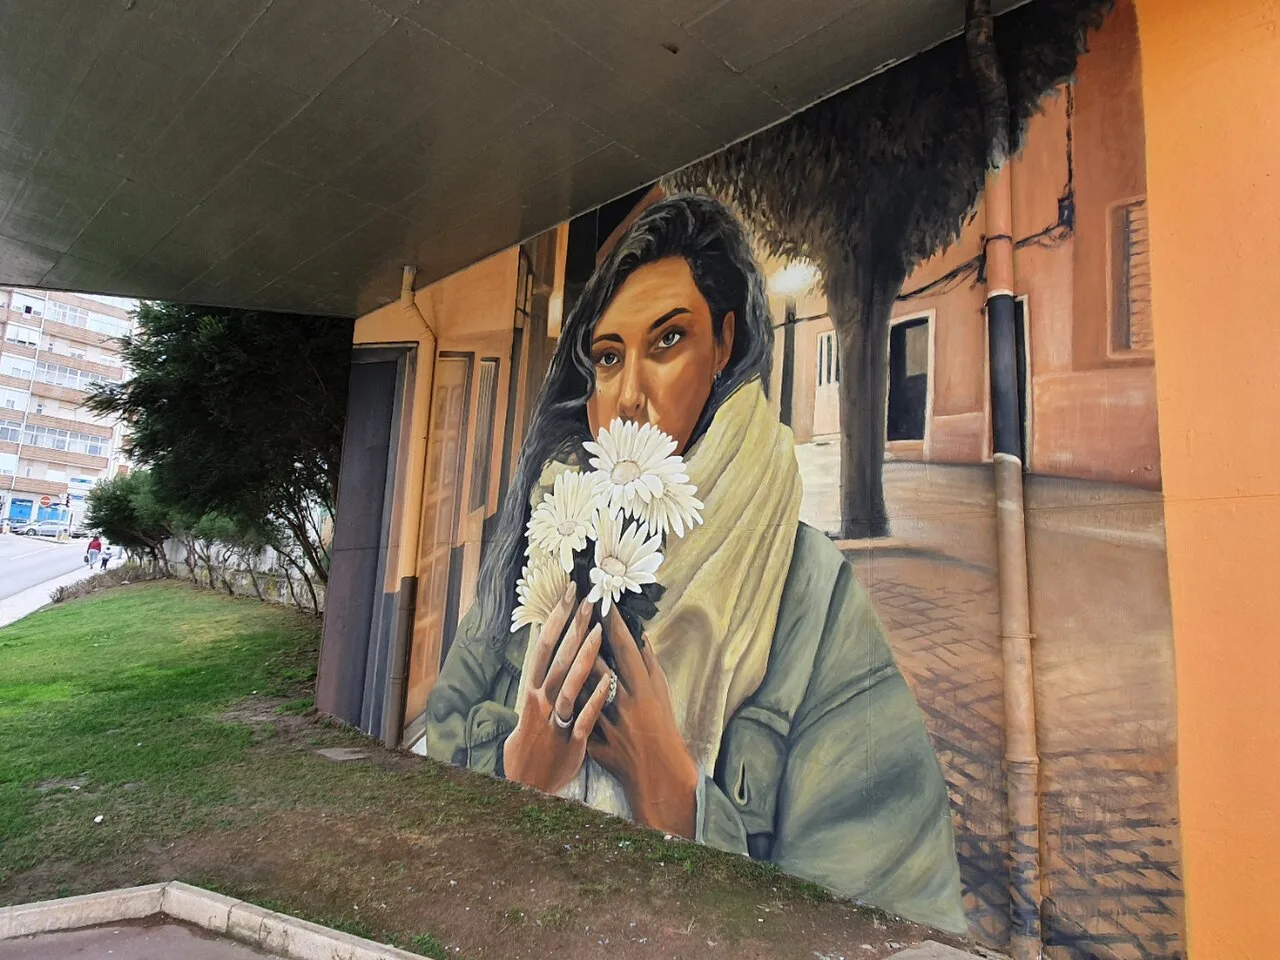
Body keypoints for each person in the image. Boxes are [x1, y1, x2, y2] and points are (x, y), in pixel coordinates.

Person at [423, 195, 966, 932]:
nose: (627, 398)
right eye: (608, 357)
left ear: (725, 344)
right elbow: (437, 755)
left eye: (669, 340)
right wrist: (521, 772)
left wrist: (677, 799)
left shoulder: (811, 599)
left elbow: (894, 918)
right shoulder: (543, 540)